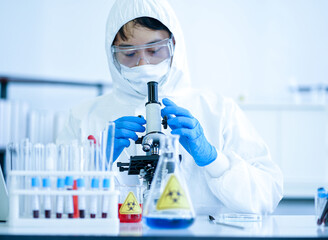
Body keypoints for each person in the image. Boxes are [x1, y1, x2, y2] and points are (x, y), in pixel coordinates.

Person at [57, 0, 283, 215]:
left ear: (174, 45)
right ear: (112, 55)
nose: (143, 64)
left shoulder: (219, 110)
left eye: (154, 51)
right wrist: (94, 164)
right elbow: (55, 202)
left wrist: (214, 160)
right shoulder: (83, 117)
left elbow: (267, 194)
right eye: (129, 54)